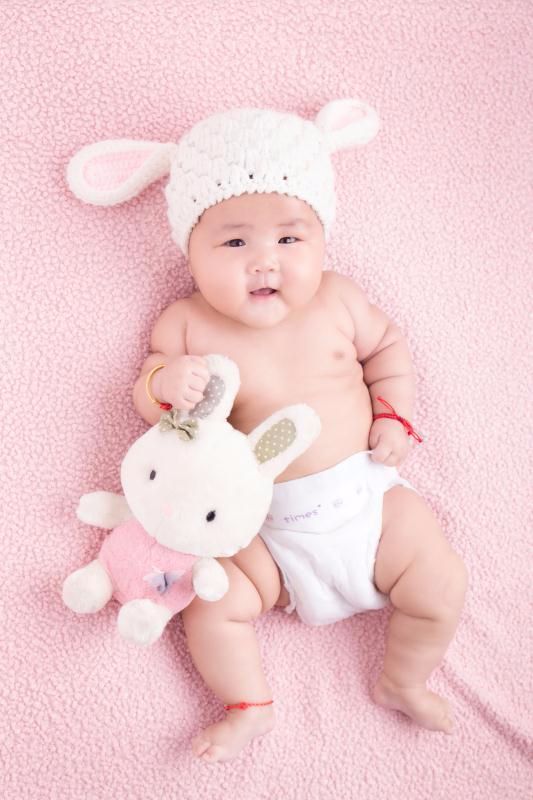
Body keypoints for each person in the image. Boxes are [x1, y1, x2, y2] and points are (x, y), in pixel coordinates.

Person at [68, 99, 468, 764]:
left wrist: (393, 416)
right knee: (210, 604)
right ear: (189, 250)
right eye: (234, 243)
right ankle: (247, 705)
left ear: (322, 239)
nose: (264, 262)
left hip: (369, 503)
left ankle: (404, 680)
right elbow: (147, 393)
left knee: (441, 582)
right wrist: (165, 386)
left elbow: (388, 352)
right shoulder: (185, 324)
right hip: (263, 531)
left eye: (289, 239)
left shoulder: (339, 299)